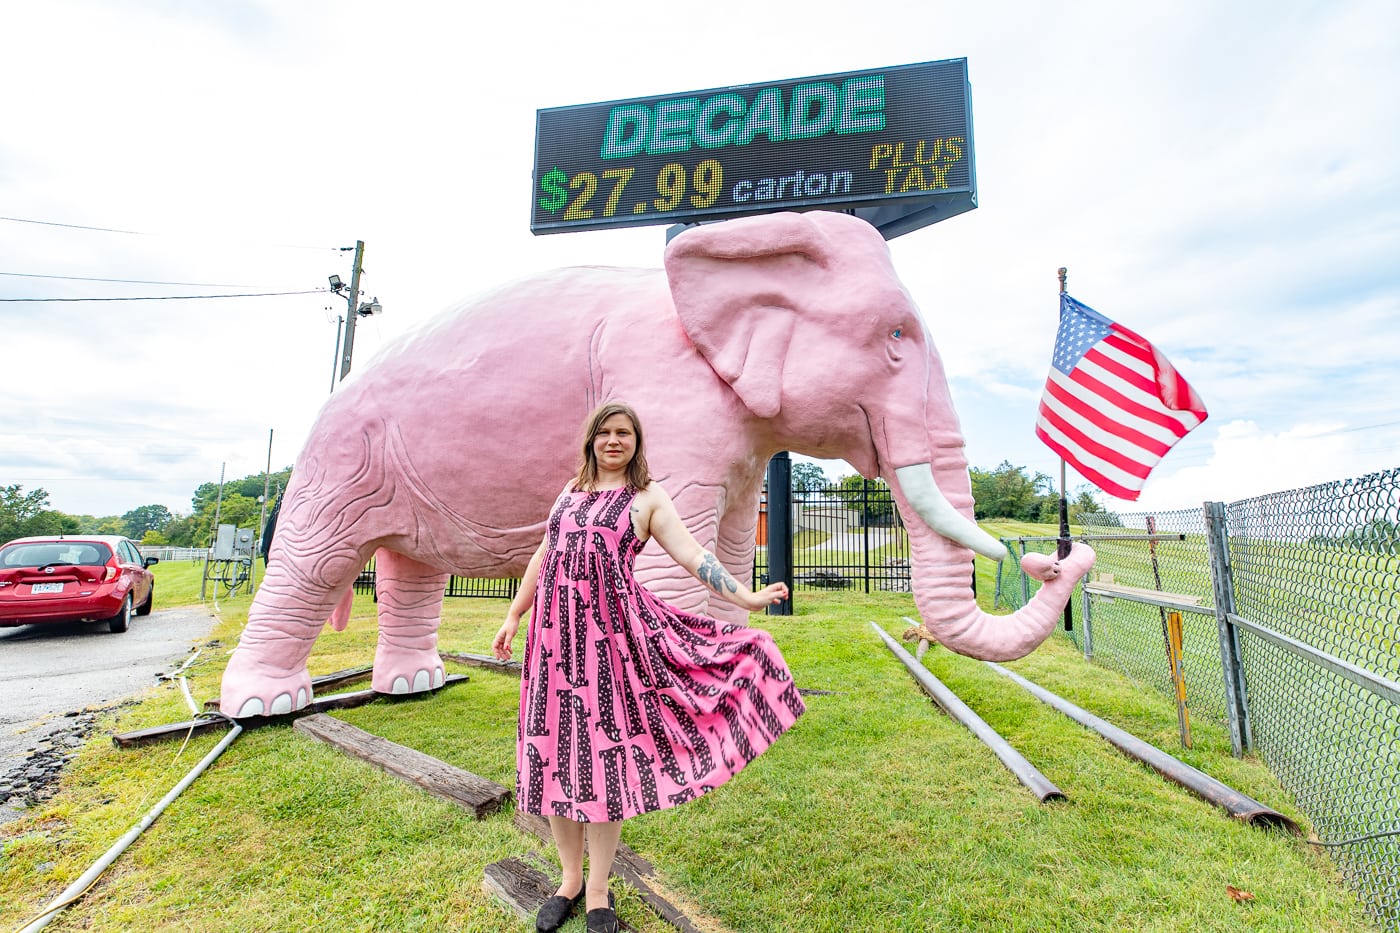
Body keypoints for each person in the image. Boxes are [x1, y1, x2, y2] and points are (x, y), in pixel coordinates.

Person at [493, 402, 803, 933]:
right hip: (553, 643)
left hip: (612, 643)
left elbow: (692, 555)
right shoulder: (570, 492)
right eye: (606, 433)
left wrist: (747, 597)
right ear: (591, 439)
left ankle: (597, 891)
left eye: (625, 434)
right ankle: (568, 880)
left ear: (636, 442)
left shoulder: (647, 497)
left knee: (604, 765)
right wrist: (514, 615)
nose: (614, 441)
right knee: (554, 758)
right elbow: (543, 557)